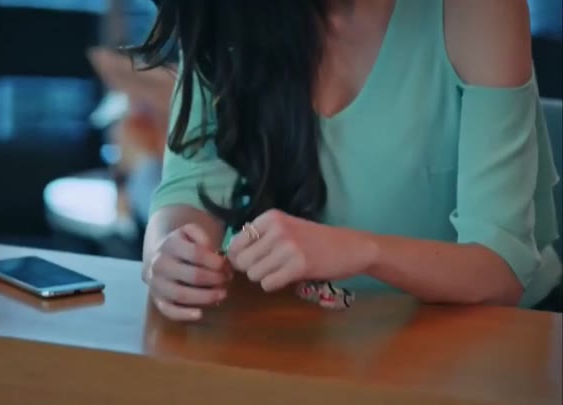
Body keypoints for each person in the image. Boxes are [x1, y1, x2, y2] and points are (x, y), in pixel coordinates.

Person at [132, 0, 562, 321]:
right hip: (299, 333)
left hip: (478, 338)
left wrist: (360, 251)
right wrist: (169, 256)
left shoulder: (478, 10)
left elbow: (499, 271)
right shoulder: (230, 12)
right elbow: (189, 187)